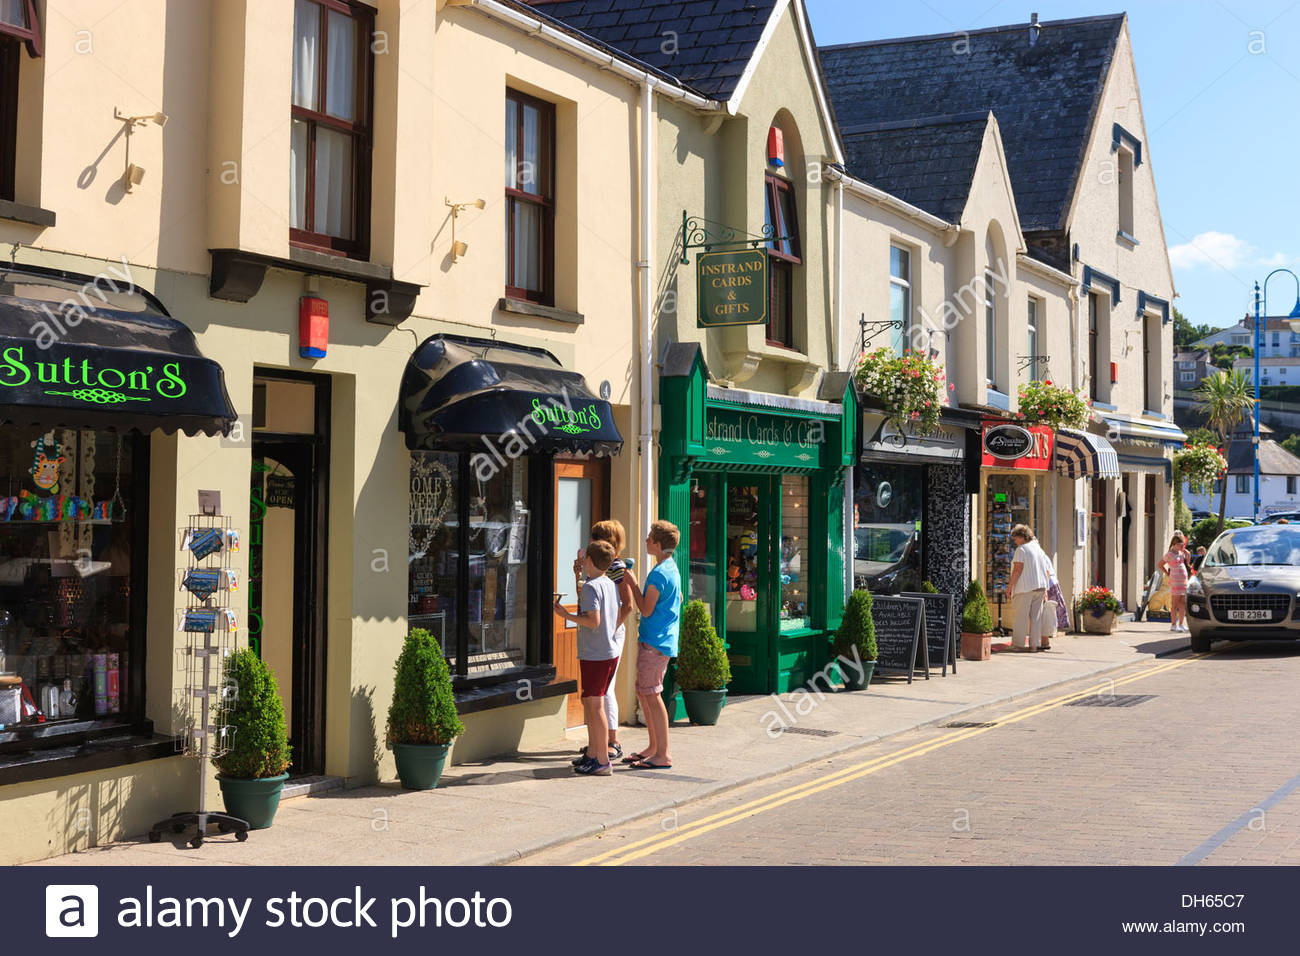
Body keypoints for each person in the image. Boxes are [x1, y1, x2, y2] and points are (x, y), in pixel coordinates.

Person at [554, 540, 621, 776]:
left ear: (590, 561)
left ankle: (602, 761)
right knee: (594, 704)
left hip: (596, 655)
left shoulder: (593, 587)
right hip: (608, 652)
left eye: (584, 559)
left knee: (594, 707)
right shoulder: (610, 584)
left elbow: (594, 621)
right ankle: (593, 755)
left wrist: (565, 615)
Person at [571, 520, 633, 764]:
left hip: (610, 633)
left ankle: (611, 742)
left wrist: (610, 628)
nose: (590, 543)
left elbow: (627, 605)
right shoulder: (599, 571)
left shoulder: (616, 568)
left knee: (603, 691)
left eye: (594, 538)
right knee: (598, 693)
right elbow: (587, 600)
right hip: (603, 631)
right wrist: (579, 574)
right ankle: (597, 745)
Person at [622, 520, 682, 770]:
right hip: (660, 641)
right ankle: (653, 747)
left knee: (652, 694)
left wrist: (632, 582)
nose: (646, 541)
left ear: (658, 544)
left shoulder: (659, 574)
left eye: (649, 538)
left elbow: (645, 609)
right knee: (645, 692)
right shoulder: (670, 568)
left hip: (655, 642)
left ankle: (663, 754)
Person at [1007, 524, 1051, 652]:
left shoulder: (1022, 550)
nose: (1015, 542)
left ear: (1022, 537)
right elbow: (1047, 571)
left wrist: (1010, 587)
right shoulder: (1039, 549)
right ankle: (1034, 646)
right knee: (1036, 618)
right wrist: (1046, 589)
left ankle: (1018, 645)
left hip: (1025, 588)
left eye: (1015, 539)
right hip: (1040, 587)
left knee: (1021, 617)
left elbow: (1017, 570)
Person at [1158, 531, 1195, 633]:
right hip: (1175, 581)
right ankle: (1173, 625)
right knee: (1175, 603)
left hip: (1183, 581)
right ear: (1175, 544)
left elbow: (1187, 564)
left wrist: (1188, 555)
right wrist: (1167, 573)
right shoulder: (1169, 554)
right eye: (1180, 544)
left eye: (1182, 544)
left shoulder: (1180, 553)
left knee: (1183, 603)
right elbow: (1160, 564)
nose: (1182, 546)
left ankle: (1181, 624)